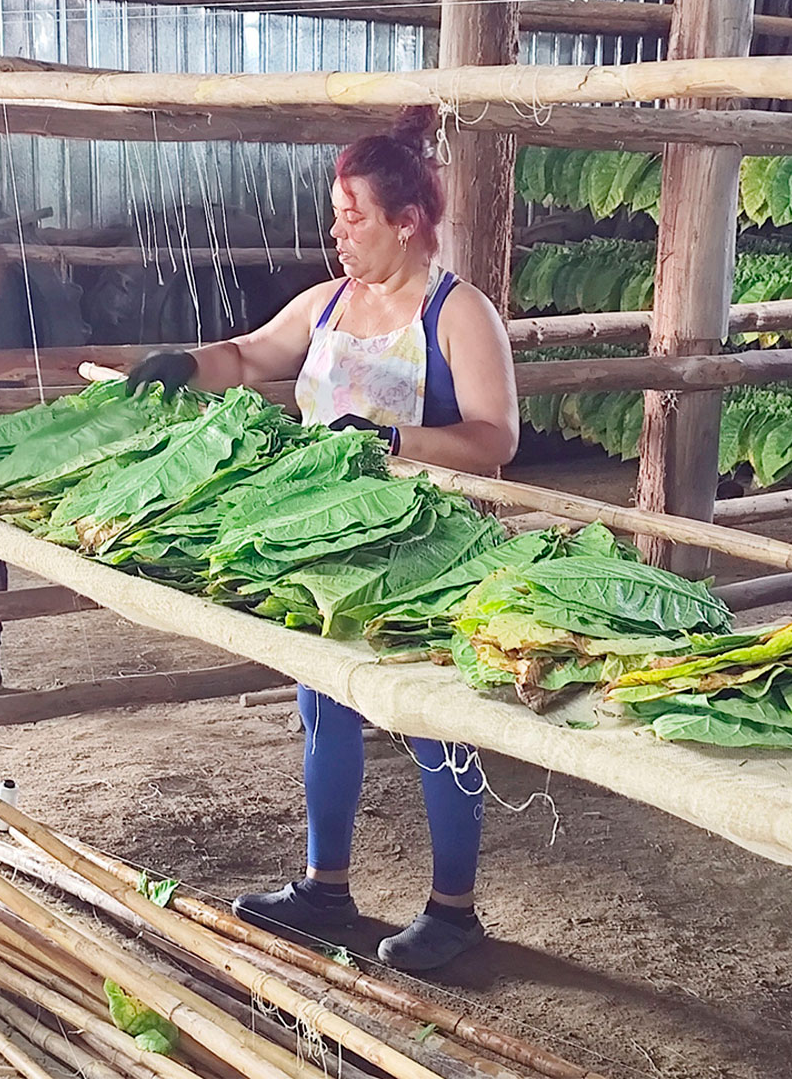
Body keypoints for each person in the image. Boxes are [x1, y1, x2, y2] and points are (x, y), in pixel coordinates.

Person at [126, 107, 520, 970]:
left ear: (406, 222)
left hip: (428, 548)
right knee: (324, 712)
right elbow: (247, 354)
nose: (338, 234)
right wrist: (183, 363)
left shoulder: (459, 314)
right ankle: (325, 889)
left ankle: (454, 911)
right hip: (327, 545)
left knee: (436, 724)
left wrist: (390, 441)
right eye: (337, 216)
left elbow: (495, 439)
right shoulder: (330, 302)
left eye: (353, 218)